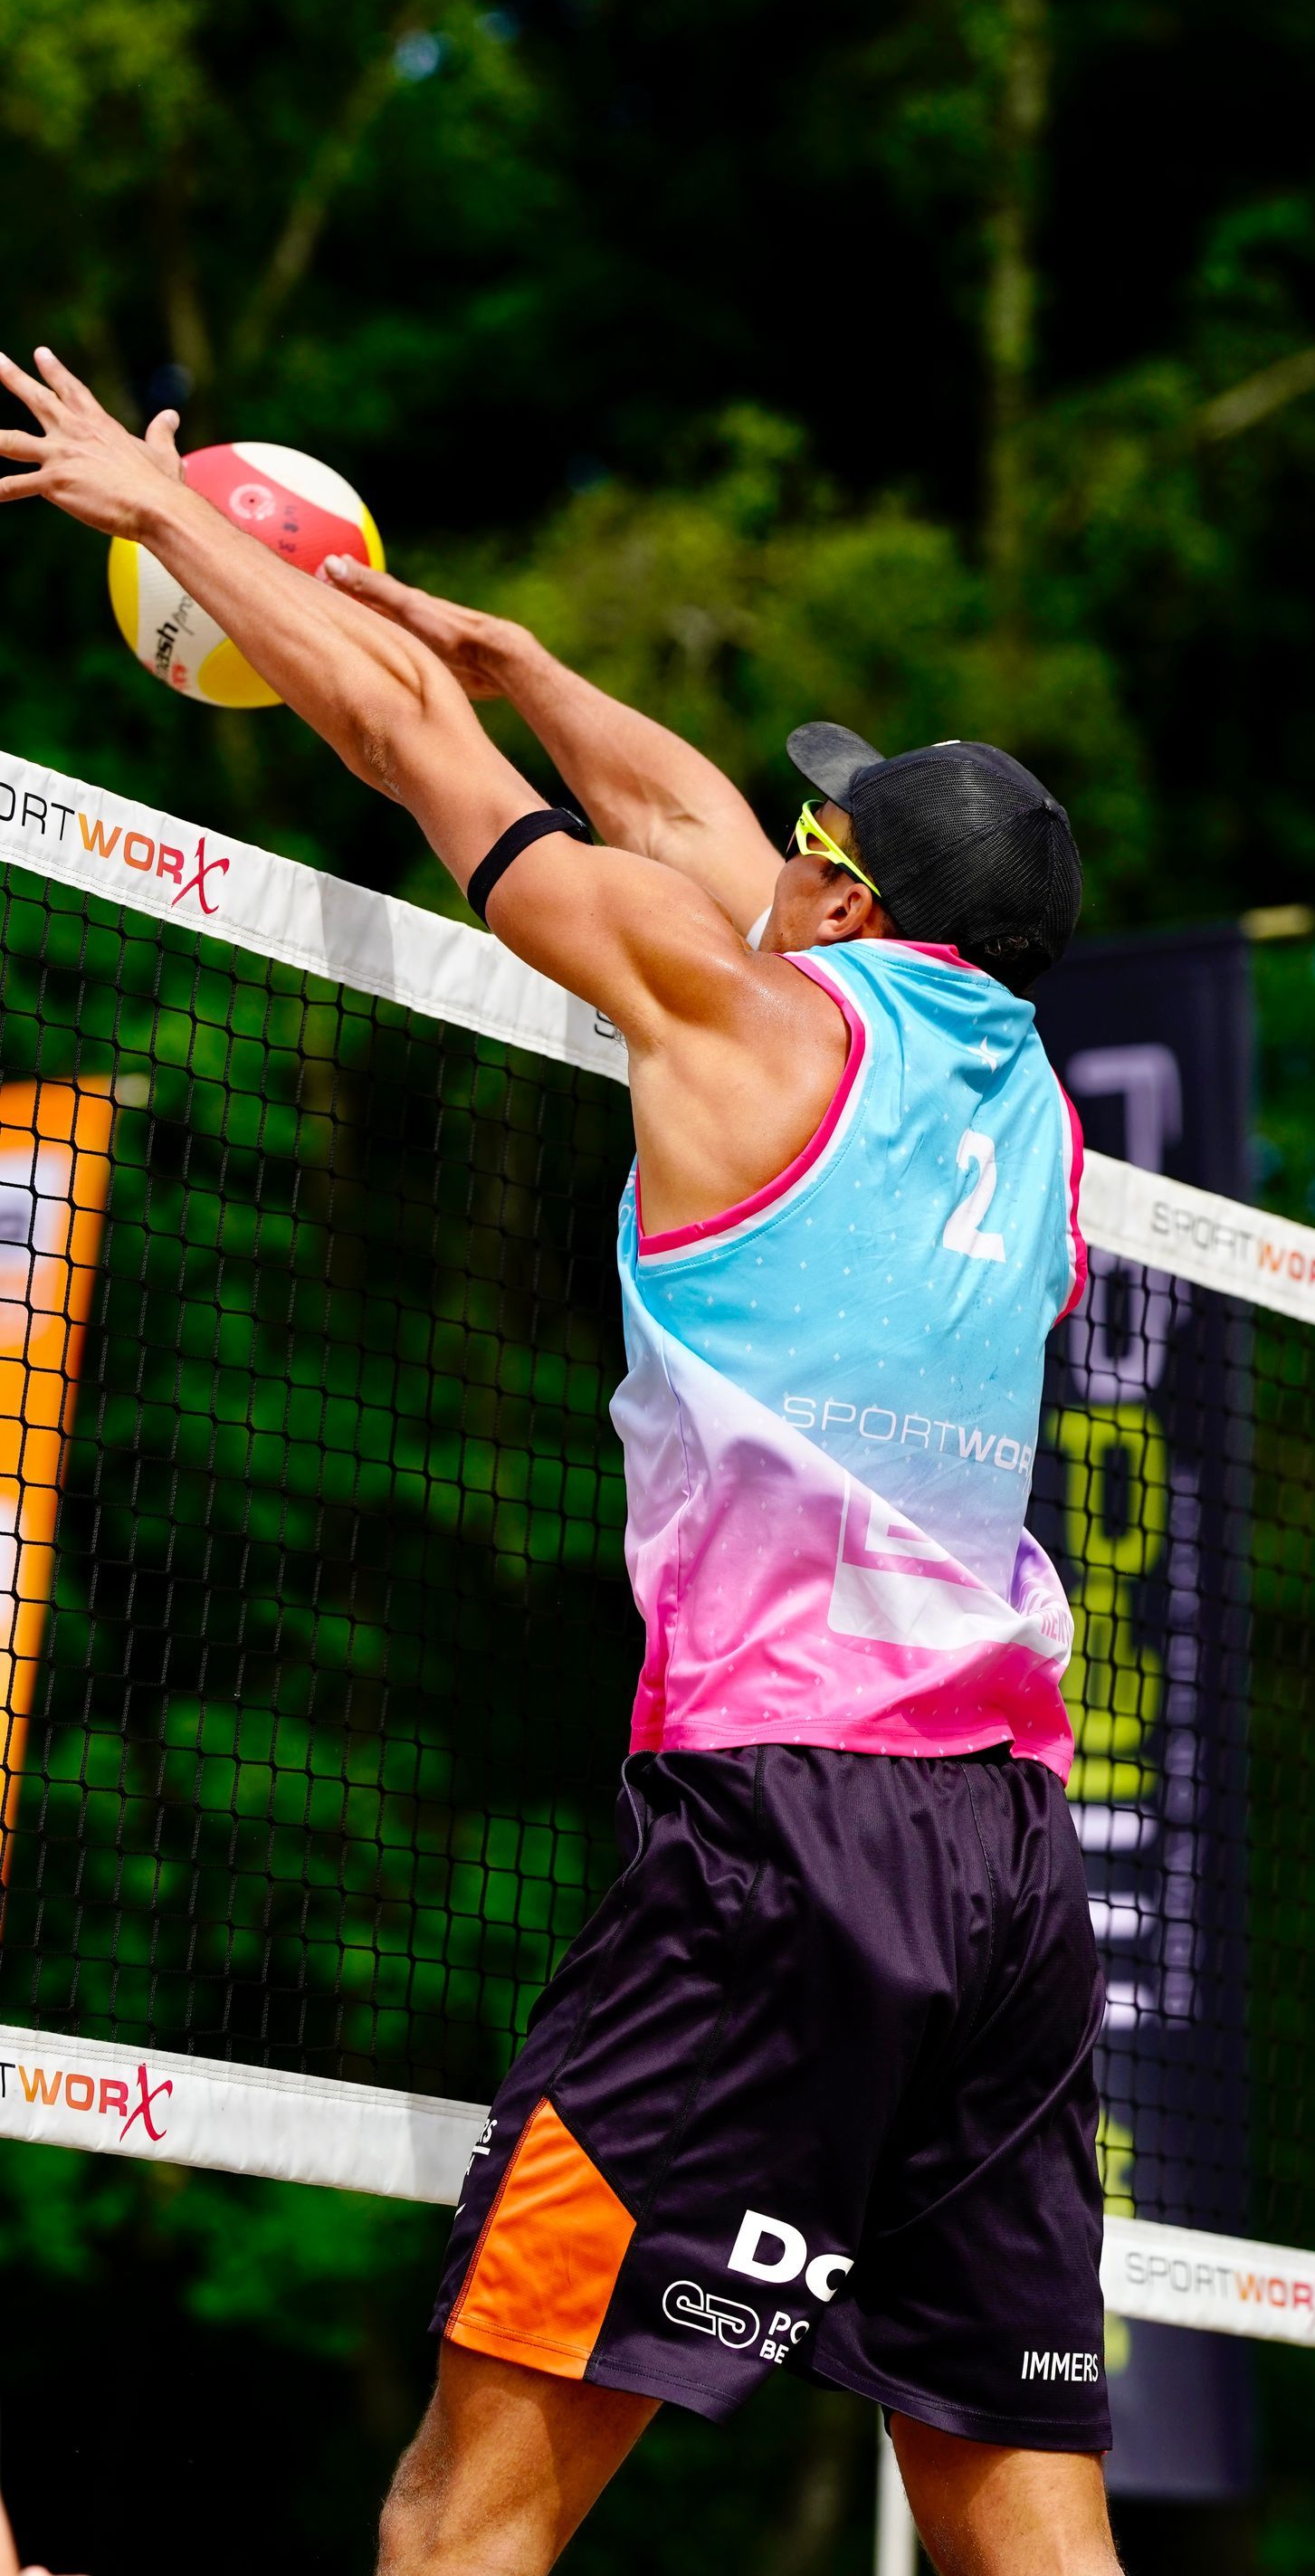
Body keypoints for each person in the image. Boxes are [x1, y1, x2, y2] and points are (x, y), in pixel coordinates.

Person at [0, 348, 1120, 2576]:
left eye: (812, 845)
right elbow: (698, 819)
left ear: (841, 905)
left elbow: (419, 757)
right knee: (1021, 2527)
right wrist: (521, 650)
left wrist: (165, 515)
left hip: (779, 1862)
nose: (763, 848)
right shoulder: (1039, 1121)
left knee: (466, 2520)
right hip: (1007, 1875)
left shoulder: (738, 1019)